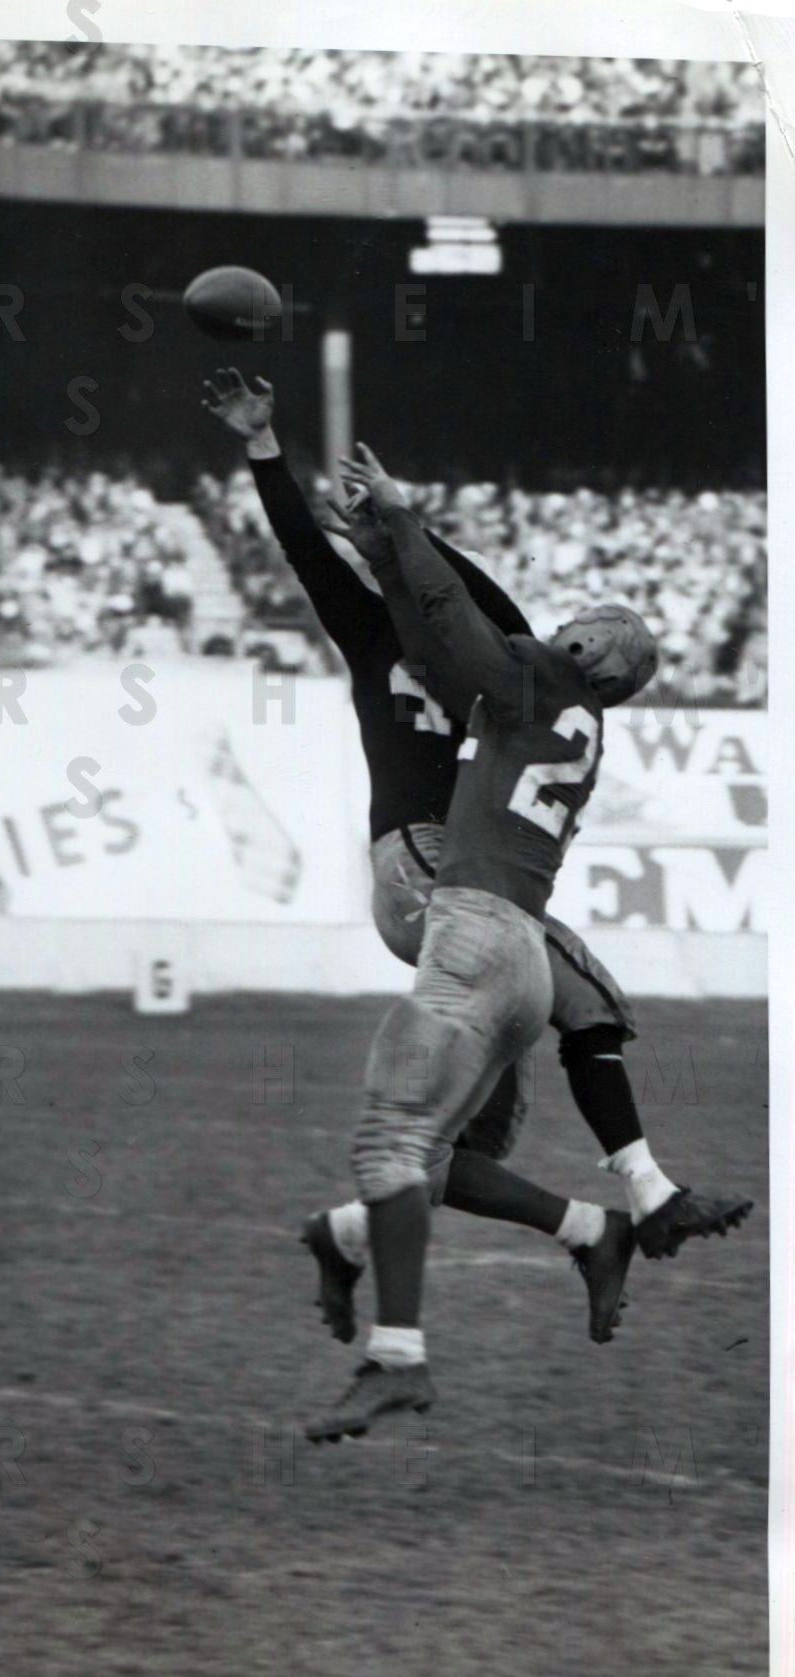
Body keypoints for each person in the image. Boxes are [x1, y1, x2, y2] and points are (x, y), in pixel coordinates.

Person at [201, 371, 752, 1348]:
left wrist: (410, 529)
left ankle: (414, 1235)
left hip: (460, 879)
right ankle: (647, 1189)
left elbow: (483, 604)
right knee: (581, 993)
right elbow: (303, 550)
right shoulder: (384, 634)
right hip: (422, 865)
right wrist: (264, 450)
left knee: (449, 1151)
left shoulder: (498, 653)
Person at [310, 443, 691, 1439]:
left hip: (472, 931)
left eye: (572, 627)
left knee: (388, 1144)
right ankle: (590, 1222)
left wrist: (401, 520)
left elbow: (453, 629)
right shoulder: (586, 729)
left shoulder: (534, 681)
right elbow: (439, 631)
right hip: (524, 955)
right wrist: (391, 549)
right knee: (429, 1155)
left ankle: (397, 1356)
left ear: (587, 651)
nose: (552, 626)